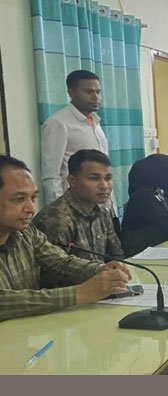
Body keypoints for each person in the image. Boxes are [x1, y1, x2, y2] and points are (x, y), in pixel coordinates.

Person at [0, 155, 132, 321]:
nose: (31, 208)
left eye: (33, 198)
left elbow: (61, 262)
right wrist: (80, 293)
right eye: (19, 199)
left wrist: (101, 270)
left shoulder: (27, 233)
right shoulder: (56, 218)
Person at [40, 70, 114, 214]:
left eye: (98, 92)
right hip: (75, 208)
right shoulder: (58, 123)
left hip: (101, 208)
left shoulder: (95, 122)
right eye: (89, 92)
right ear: (71, 93)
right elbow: (51, 175)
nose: (96, 97)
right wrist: (60, 211)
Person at [33, 150, 123, 263]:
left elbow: (116, 256)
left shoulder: (102, 213)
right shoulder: (56, 220)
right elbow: (54, 269)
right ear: (72, 181)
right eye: (94, 178)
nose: (104, 185)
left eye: (108, 178)